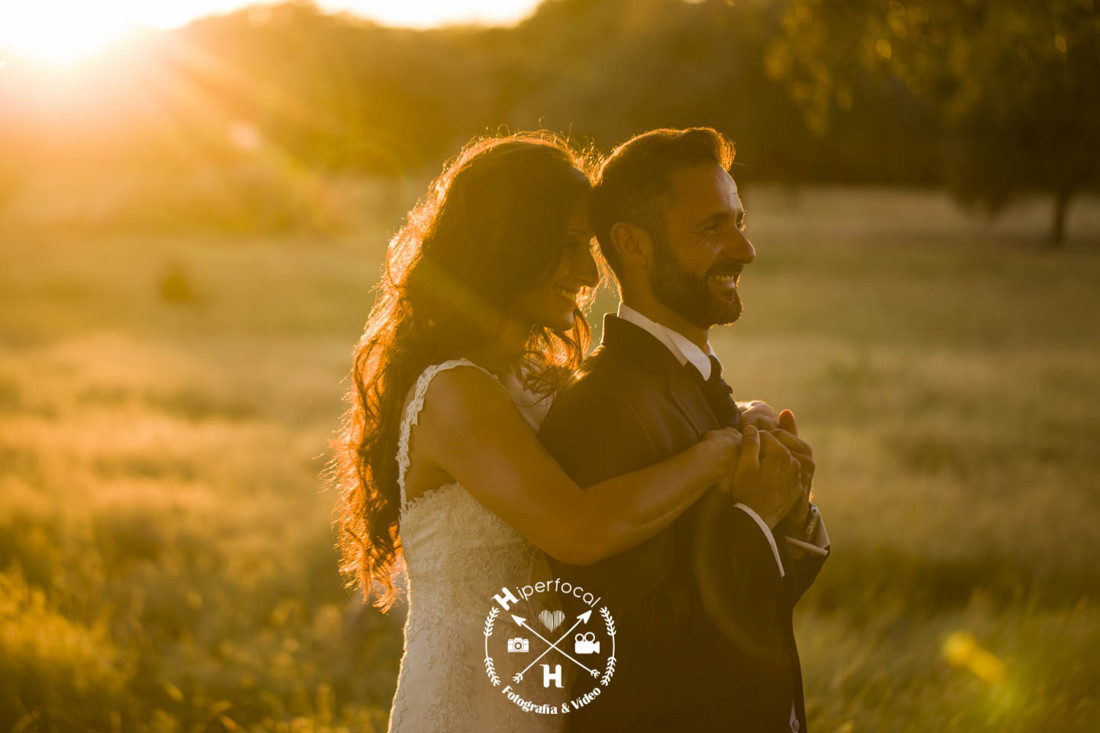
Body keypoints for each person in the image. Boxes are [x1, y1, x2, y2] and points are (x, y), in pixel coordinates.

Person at [329, 132, 791, 732]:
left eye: (588, 247)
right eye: (569, 246)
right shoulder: (454, 392)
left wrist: (744, 417)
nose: (587, 271)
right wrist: (716, 454)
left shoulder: (534, 379)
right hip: (468, 706)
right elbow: (579, 529)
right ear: (509, 246)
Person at [538, 127, 831, 732]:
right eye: (711, 228)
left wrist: (790, 506)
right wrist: (752, 520)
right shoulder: (601, 409)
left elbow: (753, 608)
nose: (745, 249)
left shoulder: (696, 384)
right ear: (633, 245)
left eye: (739, 221)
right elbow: (615, 664)